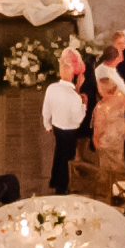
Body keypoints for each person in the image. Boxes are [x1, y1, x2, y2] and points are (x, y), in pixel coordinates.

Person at [40, 56, 90, 192]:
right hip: (69, 131)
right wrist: (83, 105)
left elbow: (46, 108)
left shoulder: (52, 88)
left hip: (56, 127)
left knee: (58, 153)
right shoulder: (74, 97)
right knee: (67, 160)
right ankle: (62, 187)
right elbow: (78, 119)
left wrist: (47, 125)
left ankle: (54, 180)